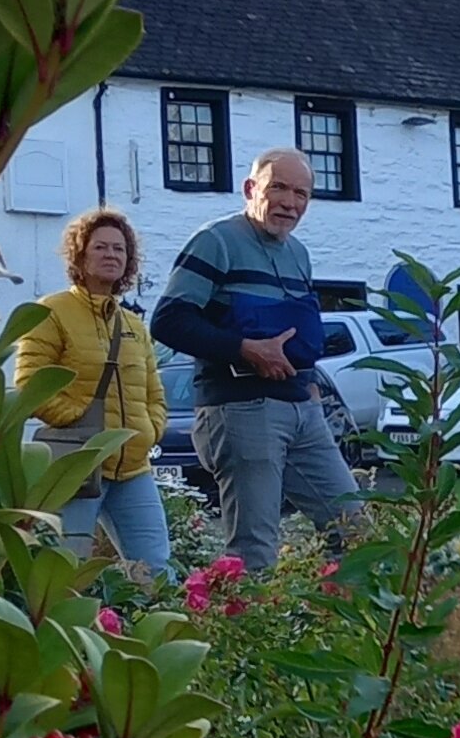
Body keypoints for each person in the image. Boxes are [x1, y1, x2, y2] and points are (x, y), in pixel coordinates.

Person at [149, 147, 360, 574]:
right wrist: (246, 349)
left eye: (301, 193)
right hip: (242, 410)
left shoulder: (297, 253)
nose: (290, 202)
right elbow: (168, 321)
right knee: (254, 552)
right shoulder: (217, 241)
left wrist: (312, 389)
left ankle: (343, 633)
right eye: (278, 187)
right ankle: (247, 637)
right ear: (251, 189)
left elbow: (296, 335)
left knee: (355, 531)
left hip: (303, 410)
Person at [15, 207, 170, 569]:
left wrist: (150, 430)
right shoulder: (51, 312)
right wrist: (83, 423)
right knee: (65, 569)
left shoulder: (133, 323)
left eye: (119, 249)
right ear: (80, 255)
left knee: (157, 570)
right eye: (100, 247)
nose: (111, 255)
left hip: (133, 469)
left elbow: (154, 392)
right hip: (77, 467)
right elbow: (29, 384)